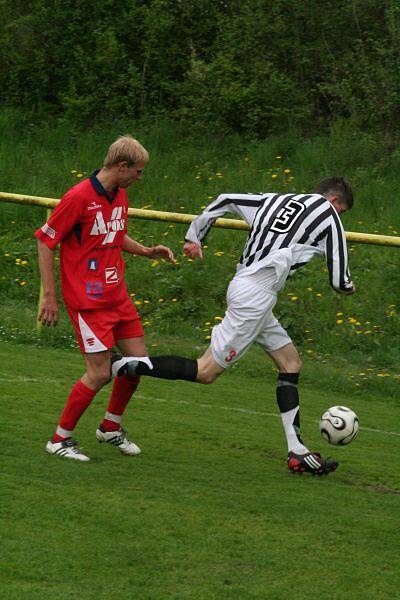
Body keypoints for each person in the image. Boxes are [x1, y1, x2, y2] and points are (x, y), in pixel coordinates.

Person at [112, 176, 356, 475]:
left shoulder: (275, 199)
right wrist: (350, 288)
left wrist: (194, 237)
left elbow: (225, 198)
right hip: (255, 297)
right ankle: (122, 365)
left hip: (247, 287)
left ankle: (297, 451)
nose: (338, 217)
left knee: (290, 362)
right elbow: (339, 282)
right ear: (334, 202)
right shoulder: (329, 217)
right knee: (205, 372)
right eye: (341, 211)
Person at [35, 135, 174, 461]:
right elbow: (45, 243)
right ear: (121, 166)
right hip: (88, 301)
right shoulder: (78, 197)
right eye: (137, 171)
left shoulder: (120, 195)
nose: (140, 178)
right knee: (99, 372)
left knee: (137, 365)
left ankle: (110, 427)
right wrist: (49, 297)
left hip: (117, 296)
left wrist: (145, 251)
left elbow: (114, 231)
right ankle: (59, 439)